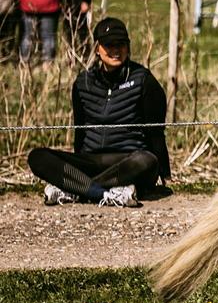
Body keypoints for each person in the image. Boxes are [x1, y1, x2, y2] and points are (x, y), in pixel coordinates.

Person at [27, 16, 170, 207]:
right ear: (97, 49)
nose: (115, 50)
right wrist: (76, 163)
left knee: (147, 161)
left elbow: (156, 132)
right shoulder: (83, 83)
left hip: (127, 161)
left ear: (128, 47)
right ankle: (103, 192)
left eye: (121, 44)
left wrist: (164, 171)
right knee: (37, 157)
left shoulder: (143, 80)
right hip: (90, 160)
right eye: (109, 45)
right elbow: (79, 131)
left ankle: (76, 189)